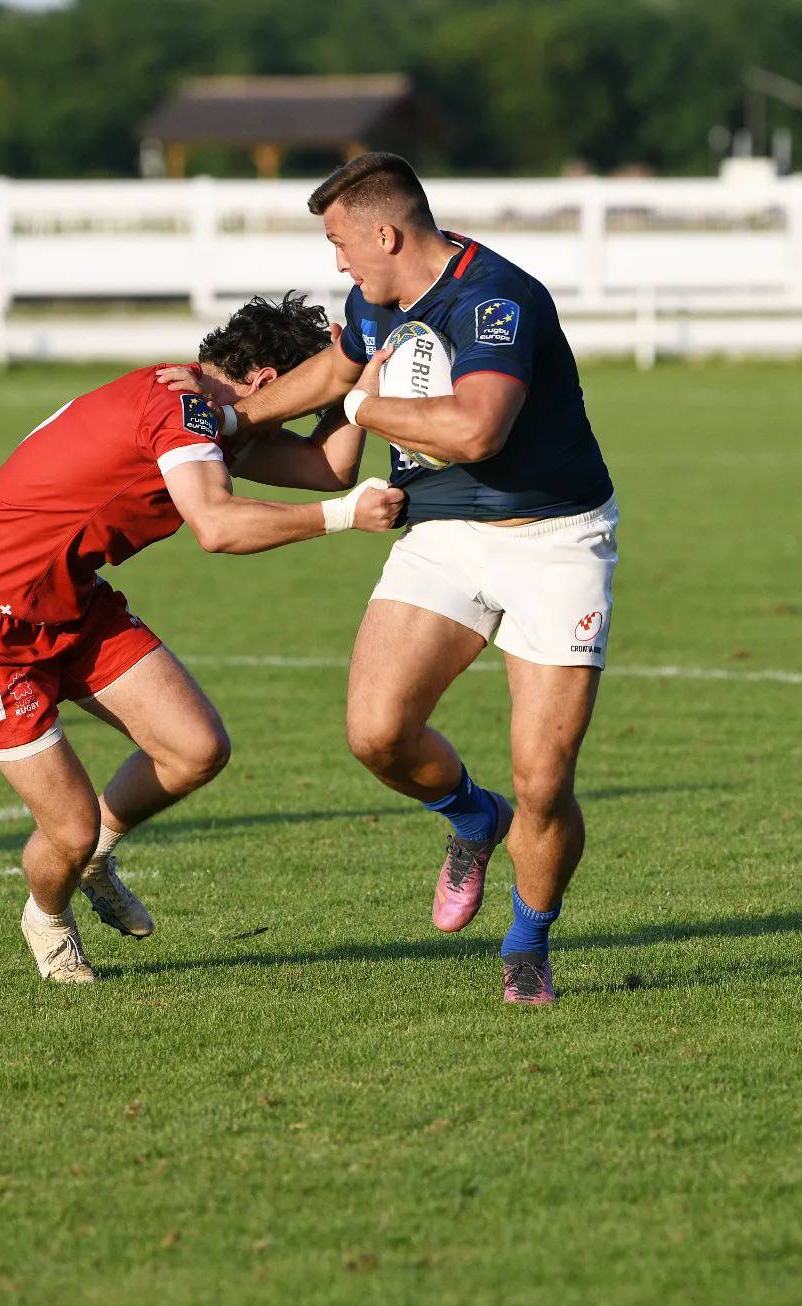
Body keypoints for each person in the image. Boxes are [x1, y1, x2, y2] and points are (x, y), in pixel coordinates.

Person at [161, 154, 616, 1005]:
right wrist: (224, 416)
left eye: (340, 242)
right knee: (377, 734)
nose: (336, 263)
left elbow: (477, 432)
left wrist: (365, 411)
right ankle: (473, 822)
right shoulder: (371, 303)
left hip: (555, 541)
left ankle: (528, 944)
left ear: (385, 231)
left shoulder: (497, 299)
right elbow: (334, 372)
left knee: (544, 780)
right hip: (440, 533)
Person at [0, 293, 402, 984]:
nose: (288, 417)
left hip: (70, 604)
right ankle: (47, 920)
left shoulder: (211, 410)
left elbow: (326, 469)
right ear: (268, 379)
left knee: (195, 748)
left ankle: (94, 859)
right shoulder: (176, 405)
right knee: (70, 826)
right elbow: (218, 526)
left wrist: (352, 388)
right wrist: (342, 519)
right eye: (296, 396)